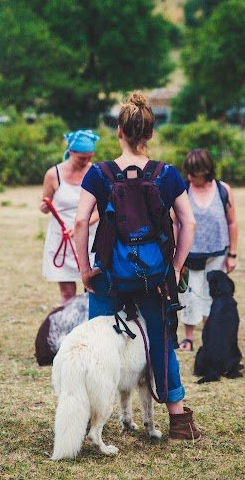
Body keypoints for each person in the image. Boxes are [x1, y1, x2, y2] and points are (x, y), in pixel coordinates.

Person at [73, 91, 201, 441]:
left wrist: (85, 270)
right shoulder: (167, 174)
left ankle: (87, 420)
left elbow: (81, 222)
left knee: (98, 344)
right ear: (150, 134)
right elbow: (188, 223)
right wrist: (175, 268)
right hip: (155, 277)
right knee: (161, 341)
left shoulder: (99, 175)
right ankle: (178, 420)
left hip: (110, 274)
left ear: (119, 132)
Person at [177, 148, 238, 351]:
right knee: (190, 296)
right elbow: (174, 222)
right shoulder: (183, 190)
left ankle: (211, 334)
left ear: (206, 171)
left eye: (195, 173)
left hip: (217, 253)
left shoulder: (223, 190)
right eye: (189, 173)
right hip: (190, 254)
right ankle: (188, 337)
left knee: (213, 294)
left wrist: (232, 254)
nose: (190, 177)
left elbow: (232, 222)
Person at [40, 130, 99, 303]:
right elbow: (44, 204)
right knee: (67, 294)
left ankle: (90, 328)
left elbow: (100, 211)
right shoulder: (53, 174)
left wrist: (82, 225)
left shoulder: (95, 173)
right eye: (82, 158)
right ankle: (70, 328)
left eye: (90, 157)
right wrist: (44, 207)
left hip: (89, 237)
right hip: (62, 238)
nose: (86, 161)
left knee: (92, 291)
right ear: (71, 152)